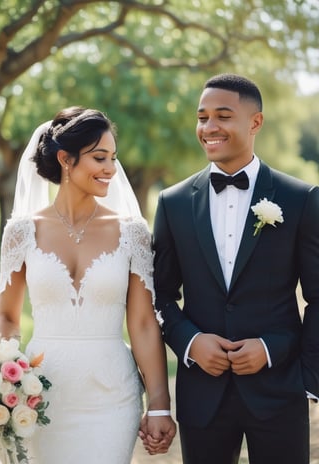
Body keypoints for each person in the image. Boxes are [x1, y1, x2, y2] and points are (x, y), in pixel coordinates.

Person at [0, 106, 176, 464]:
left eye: (112, 158)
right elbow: (8, 317)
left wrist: (158, 403)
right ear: (65, 159)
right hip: (38, 395)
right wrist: (0, 383)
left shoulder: (132, 232)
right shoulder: (21, 231)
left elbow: (141, 323)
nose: (110, 169)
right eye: (99, 158)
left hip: (111, 396)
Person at [152, 74, 319, 464]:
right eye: (202, 117)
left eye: (223, 116)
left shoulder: (301, 199)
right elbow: (158, 294)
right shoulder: (172, 203)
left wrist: (303, 376)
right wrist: (191, 343)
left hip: (280, 391)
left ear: (255, 122)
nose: (209, 127)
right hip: (202, 395)